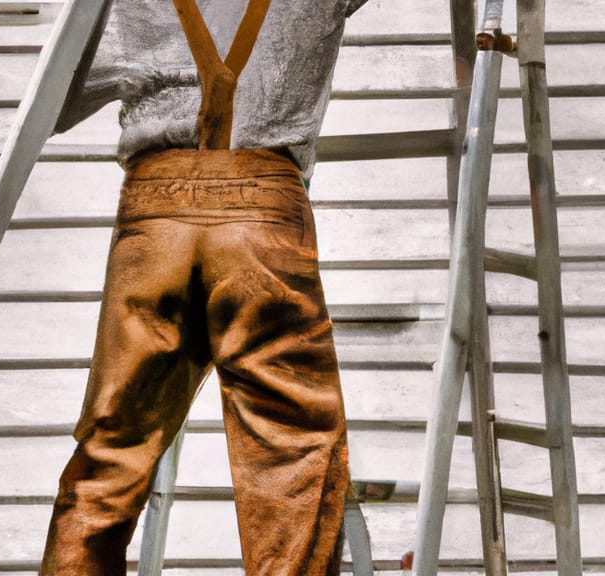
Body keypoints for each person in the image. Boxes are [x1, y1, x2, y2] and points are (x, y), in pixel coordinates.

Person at [40, 0, 367, 574]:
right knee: (291, 446)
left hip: (153, 218)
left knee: (112, 449)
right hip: (262, 212)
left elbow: (56, 102)